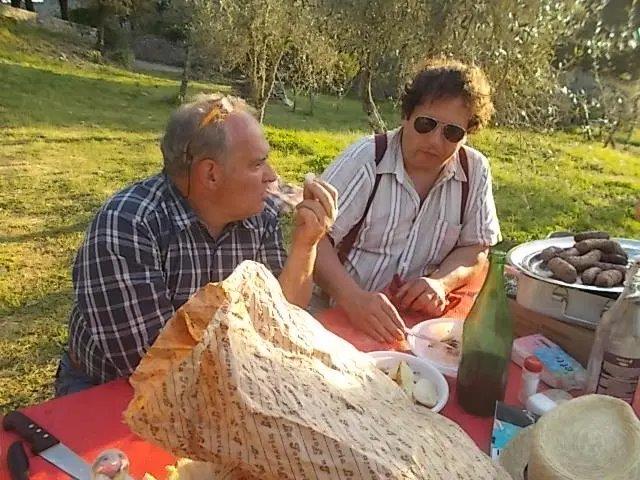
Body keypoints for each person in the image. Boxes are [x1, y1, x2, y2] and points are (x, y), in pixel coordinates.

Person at [55, 94, 337, 396]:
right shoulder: (127, 225)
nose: (272, 176)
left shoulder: (259, 215)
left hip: (221, 377)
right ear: (210, 174)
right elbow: (153, 366)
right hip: (108, 390)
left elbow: (282, 317)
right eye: (257, 164)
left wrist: (306, 245)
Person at [314, 58, 501, 343]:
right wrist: (353, 299)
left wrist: (441, 283)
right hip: (341, 316)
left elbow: (475, 246)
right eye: (426, 124)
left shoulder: (474, 171)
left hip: (417, 328)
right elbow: (314, 240)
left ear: (467, 134)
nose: (436, 141)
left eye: (452, 132)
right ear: (406, 115)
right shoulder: (366, 160)